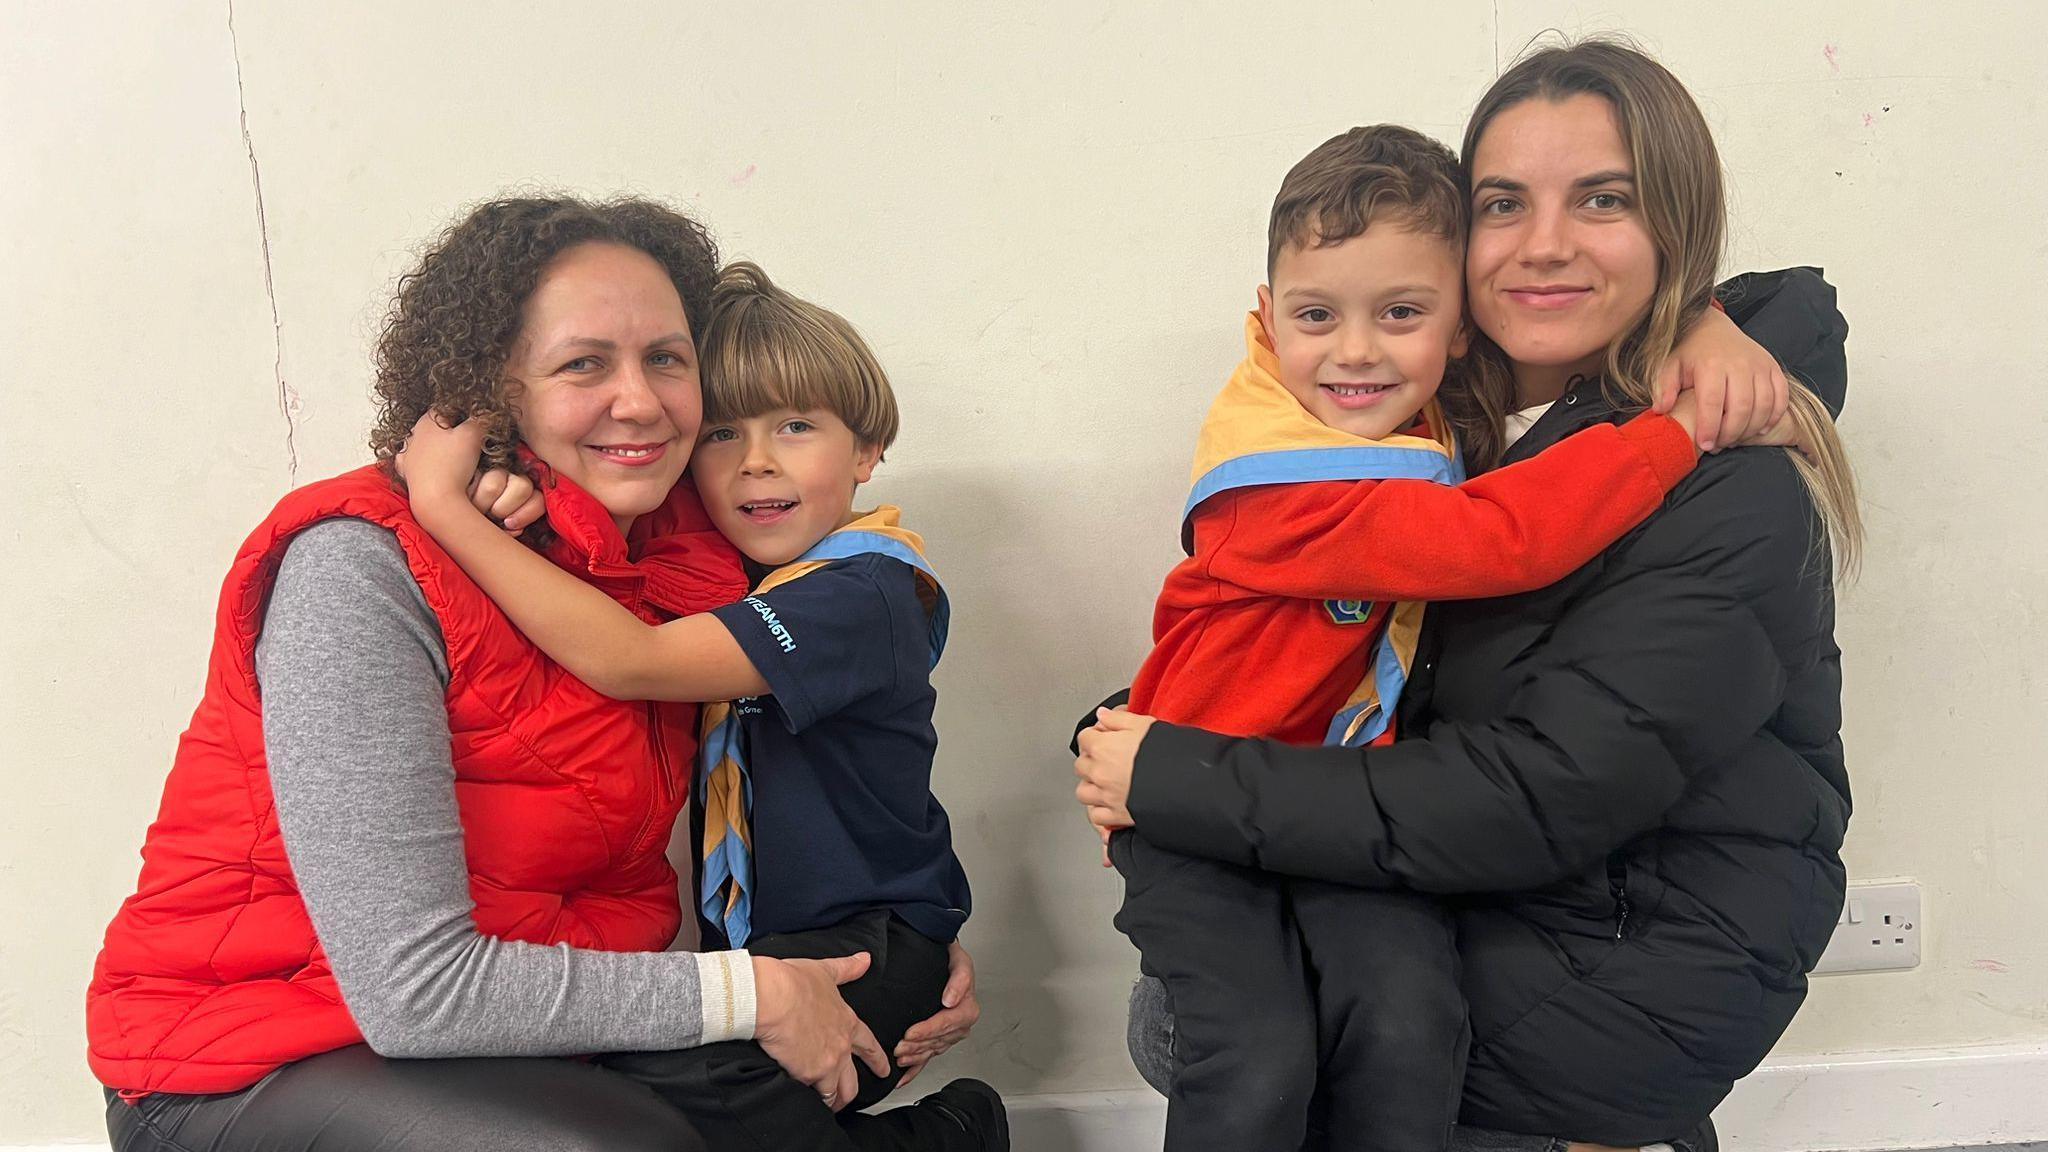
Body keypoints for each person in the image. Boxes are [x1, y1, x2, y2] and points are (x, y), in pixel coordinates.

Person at [1076, 38, 1857, 1151]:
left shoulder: (1719, 480)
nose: (1543, 244)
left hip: (1614, 968)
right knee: (1211, 999)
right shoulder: (1441, 429)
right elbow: (1300, 639)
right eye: (1502, 202)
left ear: (1673, 231)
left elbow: (1536, 796)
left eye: (1601, 199)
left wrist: (1171, 772)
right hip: (1497, 893)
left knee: (1221, 1028)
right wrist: (1125, 730)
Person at [88, 197, 981, 1152]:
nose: (639, 401)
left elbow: (837, 751)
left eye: (667, 360)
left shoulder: (683, 561)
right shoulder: (358, 567)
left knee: (680, 1116)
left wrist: (907, 941)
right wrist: (756, 990)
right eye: (582, 363)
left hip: (528, 1042)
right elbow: (415, 992)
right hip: (253, 1055)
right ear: (489, 389)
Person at [395, 260, 1004, 1150]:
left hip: (872, 941)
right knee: (620, 1084)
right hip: (759, 956)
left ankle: (953, 1135)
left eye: (797, 426)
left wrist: (444, 507)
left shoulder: (866, 591)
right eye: (721, 434)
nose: (757, 459)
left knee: (671, 1085)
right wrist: (514, 492)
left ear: (869, 450)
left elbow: (629, 658)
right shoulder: (727, 580)